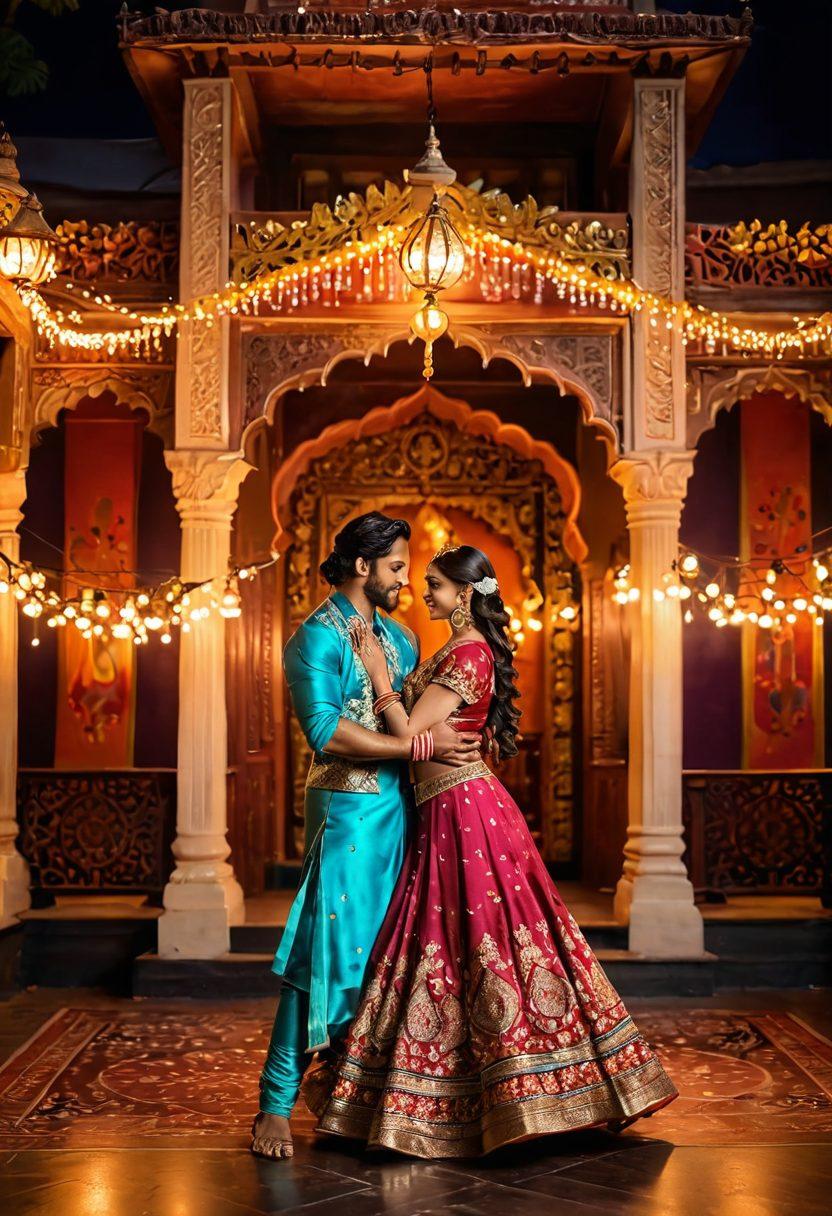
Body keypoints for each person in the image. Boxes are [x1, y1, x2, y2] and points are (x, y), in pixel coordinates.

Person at [305, 544, 678, 1157]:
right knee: (444, 943)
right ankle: (449, 1094)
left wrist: (378, 678)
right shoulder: (453, 649)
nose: (425, 593)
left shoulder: (471, 650)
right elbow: (426, 735)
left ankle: (527, 1092)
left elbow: (414, 736)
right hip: (445, 810)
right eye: (420, 581)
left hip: (465, 811)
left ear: (465, 594)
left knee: (481, 941)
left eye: (436, 585)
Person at [251, 514, 482, 1160]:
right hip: (348, 814)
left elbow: (412, 712)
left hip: (406, 812)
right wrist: (414, 748)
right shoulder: (314, 641)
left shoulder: (401, 639)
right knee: (323, 954)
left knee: (396, 959)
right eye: (397, 568)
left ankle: (366, 1099)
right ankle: (275, 1102)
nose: (406, 581)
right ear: (363, 567)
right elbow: (326, 732)